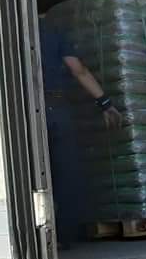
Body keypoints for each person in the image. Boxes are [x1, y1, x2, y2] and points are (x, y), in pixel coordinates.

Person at [39, 17, 121, 244]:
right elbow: (78, 69)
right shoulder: (52, 30)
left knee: (37, 175)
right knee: (68, 174)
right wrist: (105, 103)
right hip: (57, 108)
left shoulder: (9, 30)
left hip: (27, 111)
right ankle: (67, 237)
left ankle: (40, 238)